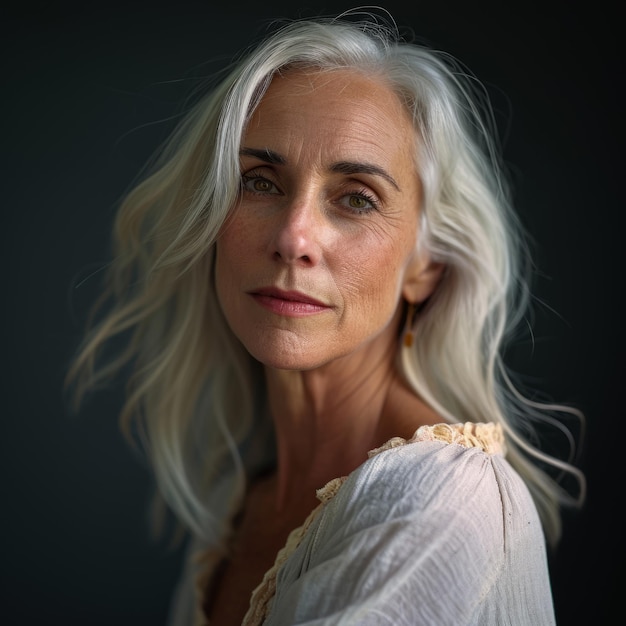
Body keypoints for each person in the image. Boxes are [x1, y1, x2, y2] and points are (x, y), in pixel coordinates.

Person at [66, 8, 586, 625]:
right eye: (260, 182)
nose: (294, 236)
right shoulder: (239, 509)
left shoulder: (445, 502)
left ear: (427, 266)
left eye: (356, 198)